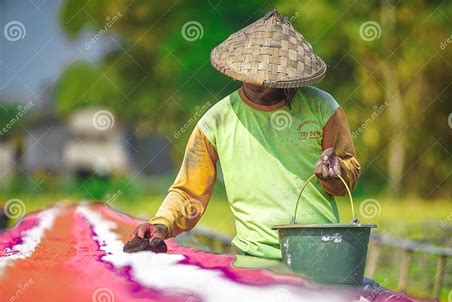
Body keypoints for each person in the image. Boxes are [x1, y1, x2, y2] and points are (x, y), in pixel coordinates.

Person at [127, 10, 360, 259]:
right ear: (240, 72)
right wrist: (162, 224)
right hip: (255, 255)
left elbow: (348, 171)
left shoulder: (323, 107)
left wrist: (335, 173)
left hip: (322, 250)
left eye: (274, 82)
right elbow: (189, 192)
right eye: (255, 79)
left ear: (292, 78)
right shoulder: (216, 121)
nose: (262, 85)